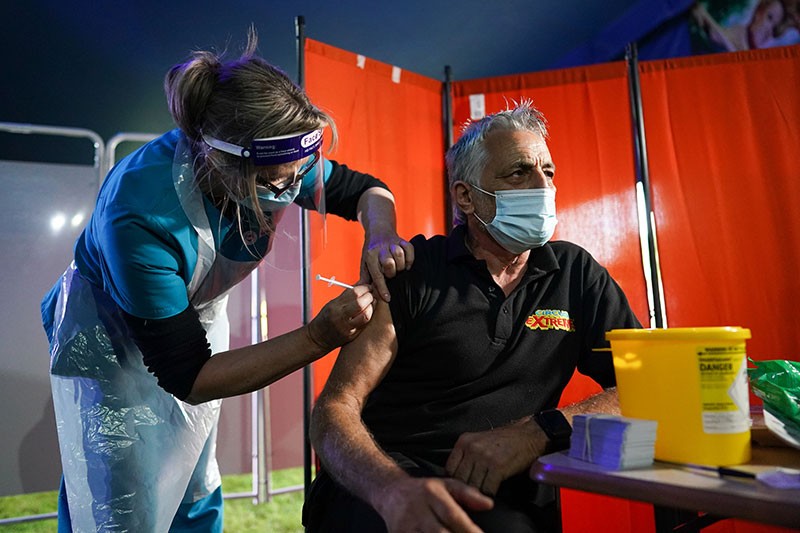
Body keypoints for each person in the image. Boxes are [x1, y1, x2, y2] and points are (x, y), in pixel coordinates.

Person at [41, 28, 413, 533]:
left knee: (193, 475)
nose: (291, 190)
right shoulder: (141, 216)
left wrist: (380, 235)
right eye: (275, 183)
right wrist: (317, 337)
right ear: (219, 159)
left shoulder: (280, 158)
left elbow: (367, 190)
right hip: (109, 346)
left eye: (299, 173)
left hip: (194, 322)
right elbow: (189, 376)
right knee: (121, 502)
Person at [303, 101, 642, 533]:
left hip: (506, 497)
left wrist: (540, 431)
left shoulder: (576, 276)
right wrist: (392, 490)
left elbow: (643, 387)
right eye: (518, 172)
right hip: (386, 486)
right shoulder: (414, 273)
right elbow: (334, 410)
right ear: (465, 196)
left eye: (548, 172)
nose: (541, 186)